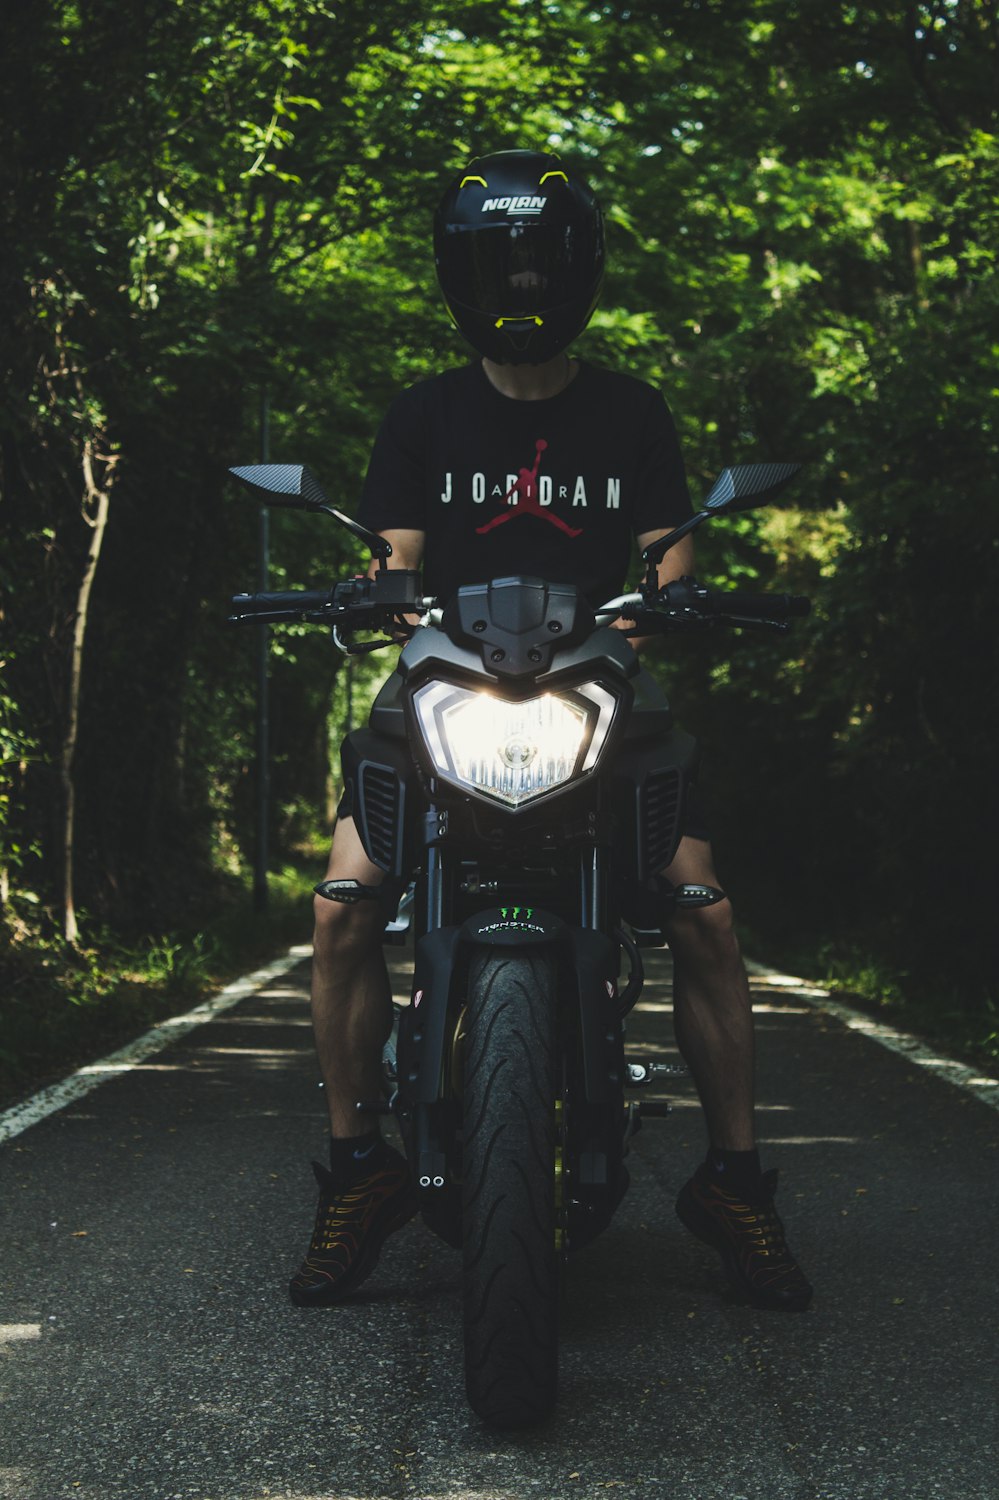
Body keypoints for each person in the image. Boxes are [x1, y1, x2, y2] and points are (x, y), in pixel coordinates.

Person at [289, 150, 813, 1313]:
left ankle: (735, 1182)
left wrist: (671, 594)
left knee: (706, 915)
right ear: (459, 275)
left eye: (536, 257)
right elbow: (397, 560)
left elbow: (672, 554)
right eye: (495, 260)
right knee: (340, 909)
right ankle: (357, 1168)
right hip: (441, 683)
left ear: (575, 269)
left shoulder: (630, 410)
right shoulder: (421, 414)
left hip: (603, 686)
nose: (517, 279)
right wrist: (371, 588)